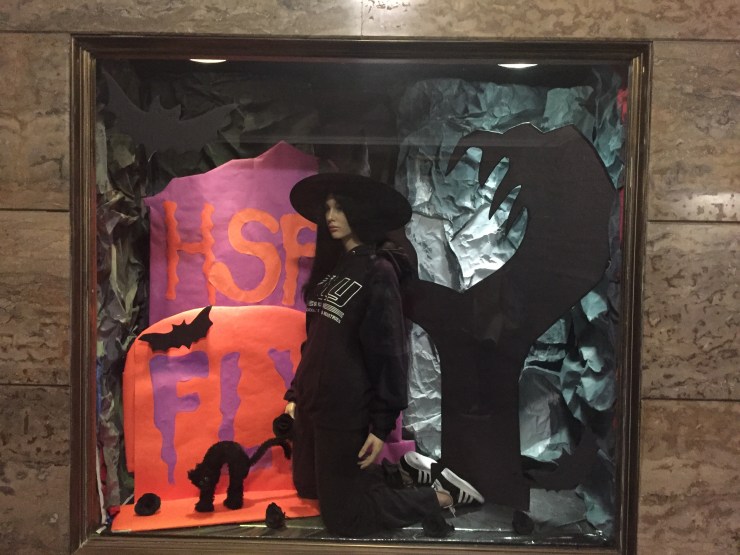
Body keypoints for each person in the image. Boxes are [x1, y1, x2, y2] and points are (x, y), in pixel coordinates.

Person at [284, 173, 483, 537]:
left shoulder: (378, 270)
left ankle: (440, 496)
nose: (331, 217)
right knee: (309, 488)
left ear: (359, 213)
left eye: (340, 208)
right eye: (327, 208)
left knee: (345, 519)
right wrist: (296, 392)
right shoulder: (332, 269)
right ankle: (398, 473)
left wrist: (380, 424)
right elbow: (315, 341)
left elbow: (388, 350)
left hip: (344, 409)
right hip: (314, 403)